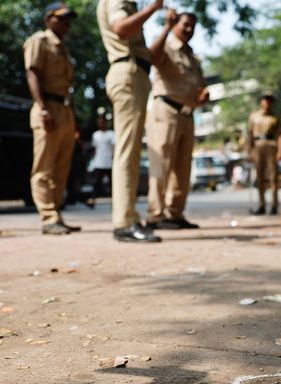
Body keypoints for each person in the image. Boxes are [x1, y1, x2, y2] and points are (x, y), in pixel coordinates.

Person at [97, 0, 163, 242]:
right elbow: (121, 28)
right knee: (127, 151)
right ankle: (125, 222)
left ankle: (128, 218)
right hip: (128, 73)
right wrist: (152, 9)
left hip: (134, 73)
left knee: (131, 151)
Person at [146, 9, 209, 230]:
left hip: (188, 115)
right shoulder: (165, 45)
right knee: (161, 163)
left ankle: (175, 213)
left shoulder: (193, 57)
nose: (189, 30)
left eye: (193, 26)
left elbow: (199, 88)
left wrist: (202, 97)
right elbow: (151, 57)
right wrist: (165, 27)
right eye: (185, 25)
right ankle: (155, 214)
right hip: (166, 111)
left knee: (183, 167)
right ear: (175, 24)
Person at [23, 2, 79, 235]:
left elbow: (68, 87)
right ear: (49, 19)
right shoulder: (39, 41)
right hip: (47, 108)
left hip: (64, 110)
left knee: (61, 169)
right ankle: (48, 217)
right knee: (44, 168)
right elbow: (32, 73)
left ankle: (56, 214)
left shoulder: (63, 47)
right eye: (61, 18)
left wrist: (73, 118)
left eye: (68, 19)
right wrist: (43, 108)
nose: (66, 23)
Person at [247, 93, 281, 215]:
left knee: (273, 176)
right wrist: (250, 151)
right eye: (265, 100)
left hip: (271, 145)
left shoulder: (274, 118)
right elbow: (250, 135)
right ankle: (261, 205)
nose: (267, 103)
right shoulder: (253, 117)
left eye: (270, 101)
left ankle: (274, 204)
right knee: (260, 177)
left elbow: (280, 135)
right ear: (261, 102)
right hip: (258, 146)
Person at [86, 114, 116, 208]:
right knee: (96, 183)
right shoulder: (96, 135)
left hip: (109, 163)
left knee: (112, 184)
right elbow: (95, 149)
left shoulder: (111, 134)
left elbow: (114, 147)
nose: (101, 124)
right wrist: (93, 162)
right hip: (99, 163)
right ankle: (93, 200)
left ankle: (114, 202)